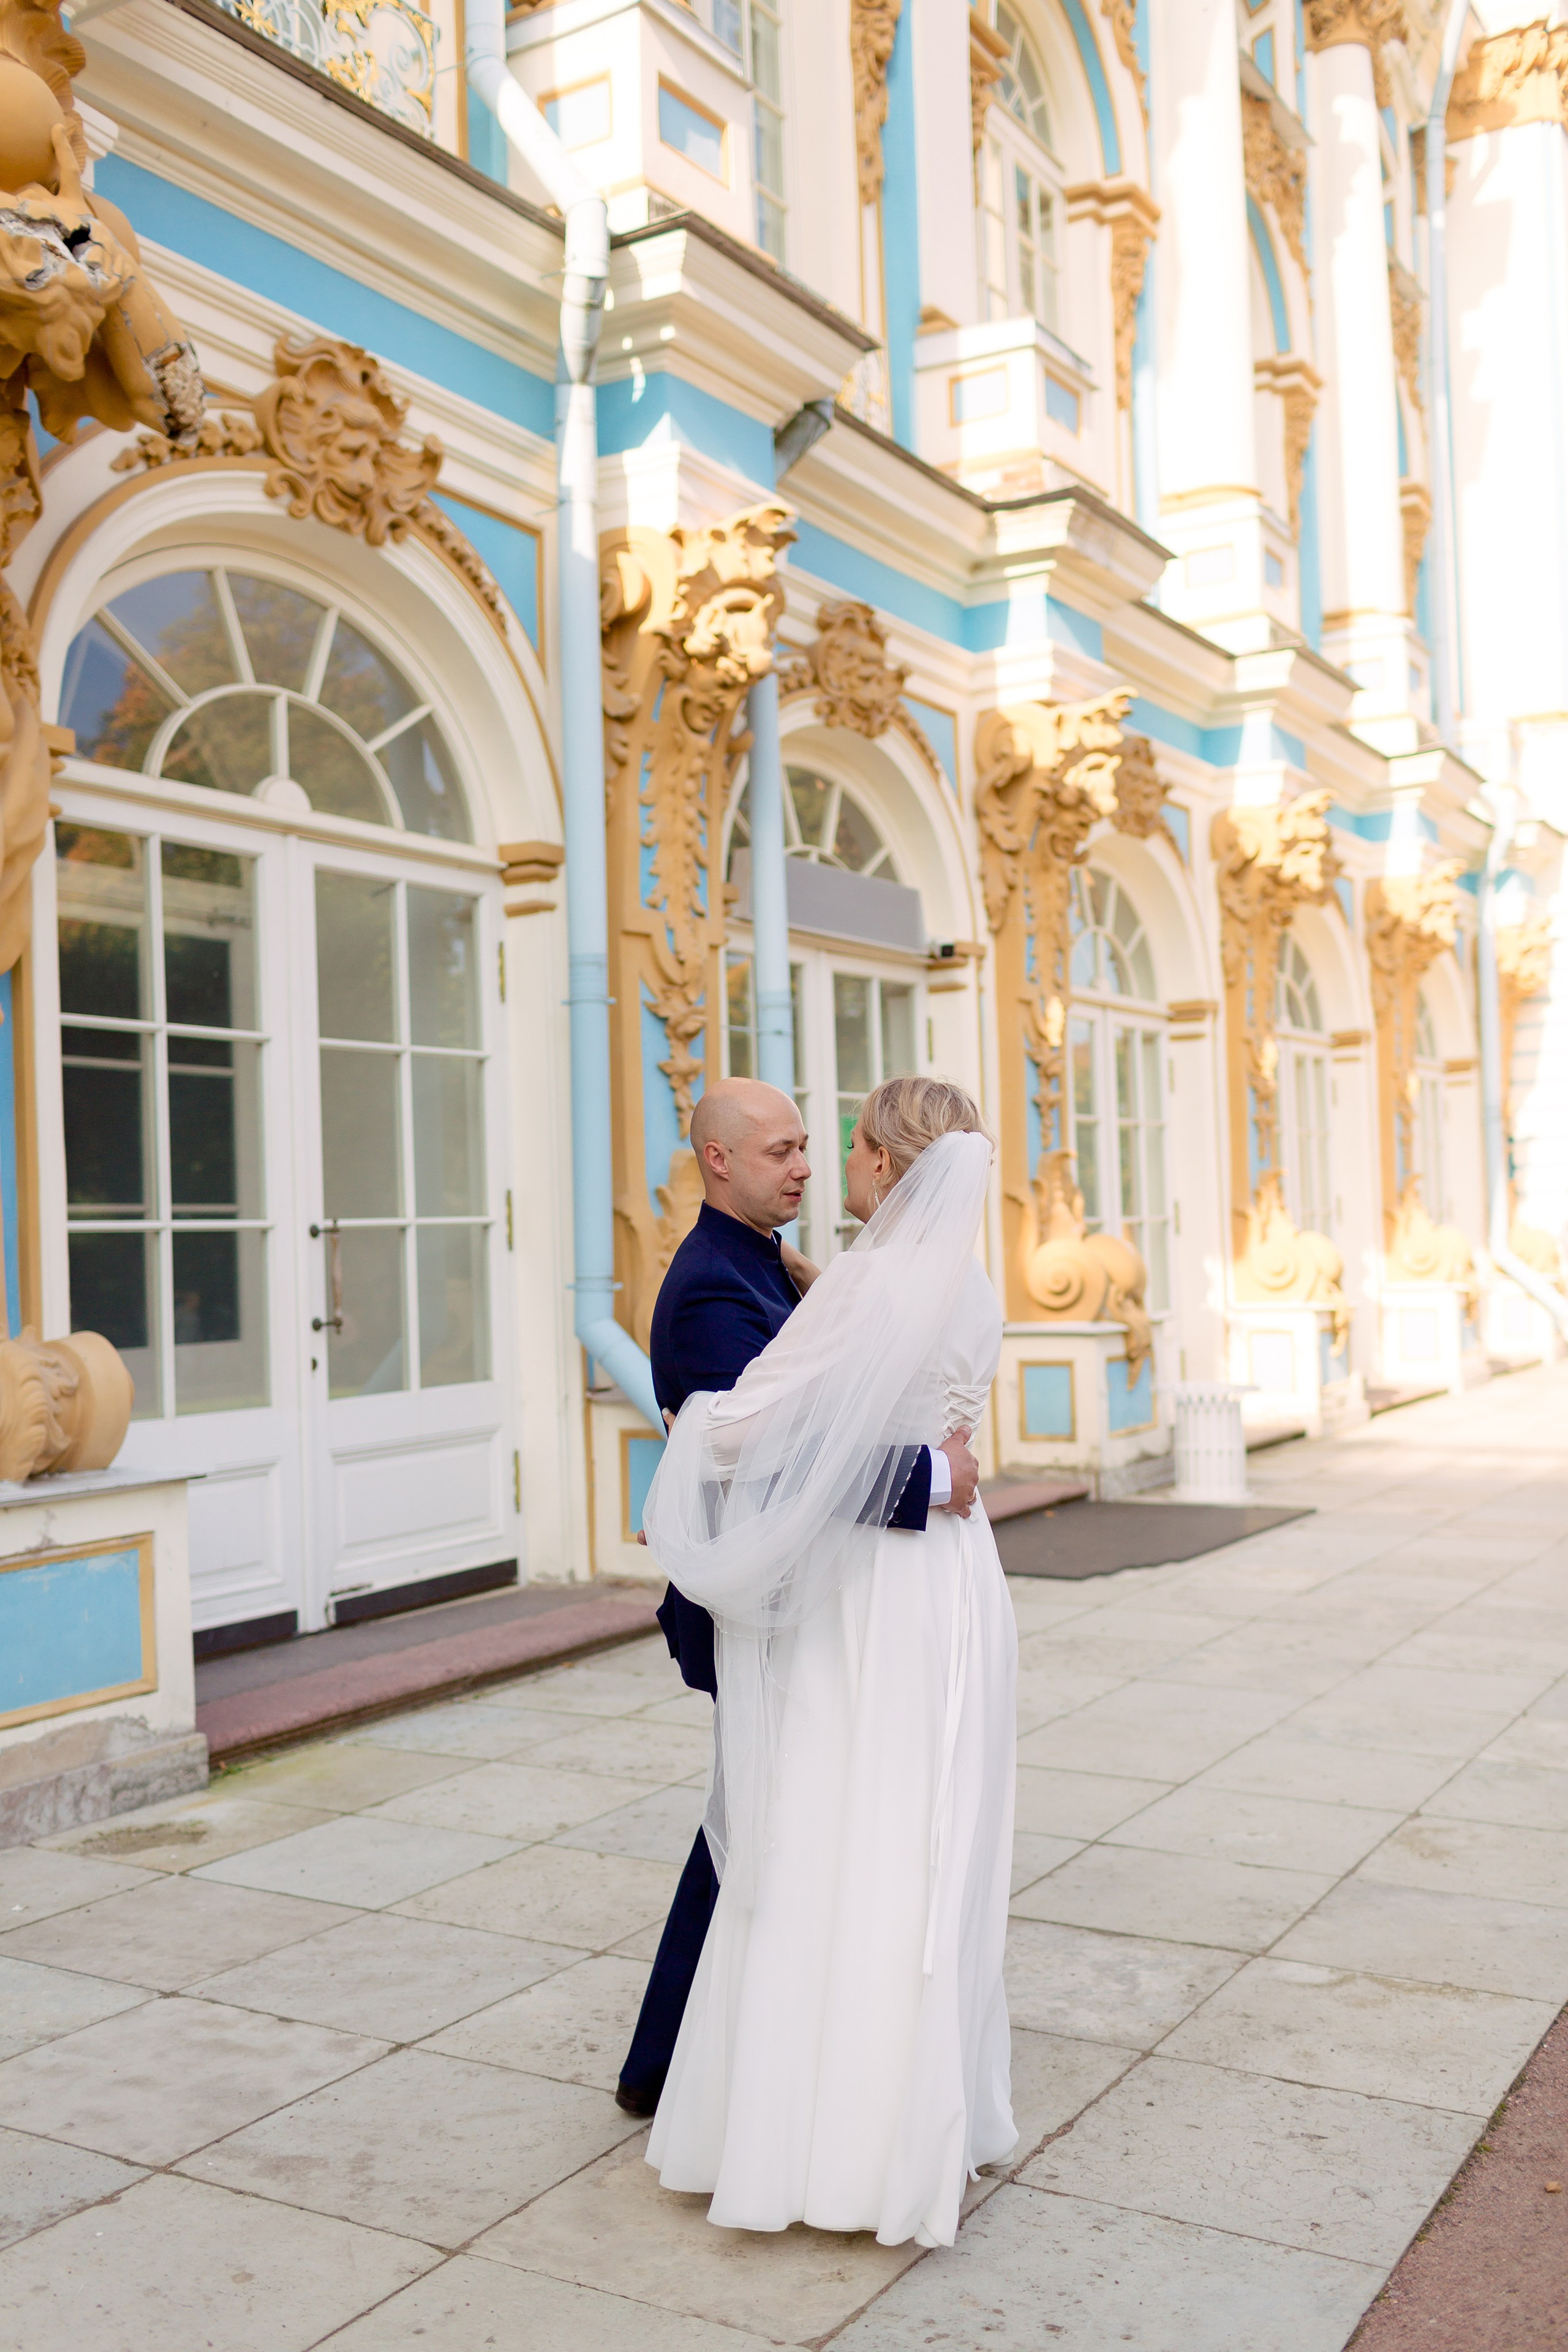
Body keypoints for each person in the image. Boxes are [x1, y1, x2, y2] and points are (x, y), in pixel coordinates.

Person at [641, 1077, 1016, 2249]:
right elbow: (908, 1426)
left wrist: (716, 1425)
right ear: (718, 1159)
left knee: (826, 1831)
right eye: (788, 1147)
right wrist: (939, 1472)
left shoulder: (852, 1280)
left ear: (887, 1167)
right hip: (951, 1579)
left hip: (865, 1598)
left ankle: (803, 2122)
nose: (819, 1167)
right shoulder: (965, 1281)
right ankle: (909, 2112)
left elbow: (749, 1435)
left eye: (834, 1145)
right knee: (912, 1837)